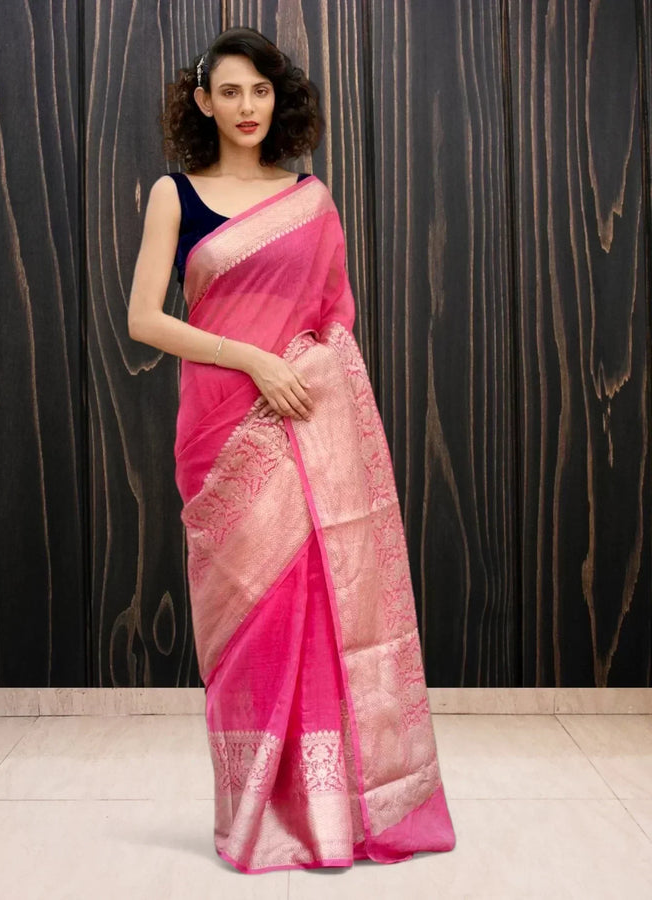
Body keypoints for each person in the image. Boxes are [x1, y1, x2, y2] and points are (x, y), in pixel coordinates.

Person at [128, 25, 456, 875]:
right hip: (220, 427)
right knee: (247, 622)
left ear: (281, 99)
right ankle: (256, 820)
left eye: (262, 91)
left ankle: (330, 815)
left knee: (318, 604)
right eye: (230, 91)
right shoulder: (176, 193)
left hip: (306, 422)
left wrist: (298, 369)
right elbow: (144, 319)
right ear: (203, 100)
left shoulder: (309, 198)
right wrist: (254, 361)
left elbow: (335, 314)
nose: (247, 107)